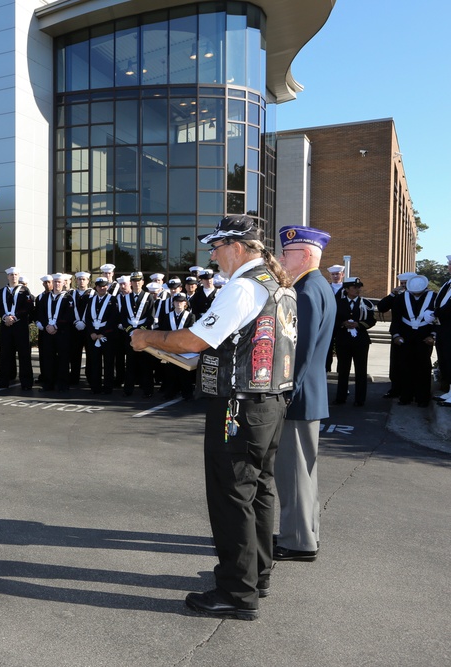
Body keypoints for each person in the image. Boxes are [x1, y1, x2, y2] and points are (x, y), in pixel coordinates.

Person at [131, 214, 297, 621]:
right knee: (258, 490)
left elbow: (193, 340)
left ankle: (236, 592)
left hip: (238, 406)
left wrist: (146, 337)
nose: (212, 253)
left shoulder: (242, 287)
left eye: (217, 246)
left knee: (231, 496)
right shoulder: (277, 285)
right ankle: (255, 574)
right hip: (269, 401)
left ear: (238, 247)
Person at [273, 225, 336, 563]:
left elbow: (299, 352)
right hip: (308, 396)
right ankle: (305, 531)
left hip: (298, 397)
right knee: (304, 471)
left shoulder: (308, 290)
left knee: (294, 471)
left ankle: (297, 541)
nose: (282, 258)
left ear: (307, 255)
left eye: (287, 253)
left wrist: (284, 394)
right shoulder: (314, 285)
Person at [389, 275, 437, 407]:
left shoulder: (434, 297)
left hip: (424, 337)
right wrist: (396, 335)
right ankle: (405, 397)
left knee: (424, 368)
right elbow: (396, 318)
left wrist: (433, 336)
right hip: (406, 337)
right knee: (405, 368)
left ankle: (422, 398)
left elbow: (437, 319)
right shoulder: (401, 298)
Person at [333, 277, 376, 407]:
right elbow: (333, 320)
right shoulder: (338, 303)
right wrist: (342, 324)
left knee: (361, 371)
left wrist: (359, 325)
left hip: (360, 342)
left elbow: (371, 320)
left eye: (359, 287)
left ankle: (360, 399)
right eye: (354, 287)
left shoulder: (366, 303)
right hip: (343, 341)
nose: (357, 290)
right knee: (343, 370)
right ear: (346, 289)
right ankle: (341, 397)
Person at [375, 271, 416, 398]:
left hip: (414, 333)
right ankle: (395, 389)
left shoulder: (419, 296)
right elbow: (381, 307)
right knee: (396, 363)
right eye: (402, 284)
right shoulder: (397, 296)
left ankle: (411, 391)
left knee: (412, 363)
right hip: (398, 332)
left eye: (406, 284)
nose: (403, 286)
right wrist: (392, 294)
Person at [0, 267, 34, 390]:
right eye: (11, 275)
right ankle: (3, 381)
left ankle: (26, 382)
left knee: (24, 355)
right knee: (5, 354)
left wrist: (15, 317)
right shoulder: (2, 291)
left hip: (20, 325)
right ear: (7, 277)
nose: (13, 277)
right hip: (6, 326)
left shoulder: (24, 291)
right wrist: (5, 316)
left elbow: (28, 307)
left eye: (16, 274)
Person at [35, 273, 74, 392]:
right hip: (48, 332)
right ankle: (48, 383)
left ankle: (62, 384)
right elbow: (40, 312)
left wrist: (56, 326)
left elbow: (69, 316)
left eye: (59, 282)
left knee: (63, 359)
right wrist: (46, 325)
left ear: (63, 283)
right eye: (55, 282)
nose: (57, 284)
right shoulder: (45, 298)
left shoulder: (68, 298)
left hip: (61, 333)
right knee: (48, 358)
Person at [156, 293, 196, 400]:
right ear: (173, 303)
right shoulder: (167, 316)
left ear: (185, 304)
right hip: (171, 348)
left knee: (185, 373)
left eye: (181, 301)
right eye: (176, 301)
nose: (179, 304)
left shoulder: (191, 316)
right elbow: (164, 331)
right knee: (170, 372)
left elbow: (190, 332)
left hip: (184, 349)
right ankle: (170, 393)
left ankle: (187, 394)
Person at [84, 277, 118, 395]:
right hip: (93, 335)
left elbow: (113, 318)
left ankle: (108, 387)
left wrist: (102, 333)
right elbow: (87, 318)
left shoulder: (112, 300)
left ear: (107, 287)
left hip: (106, 335)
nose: (102, 288)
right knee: (94, 362)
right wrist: (92, 332)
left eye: (104, 286)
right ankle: (95, 386)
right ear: (96, 287)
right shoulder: (91, 300)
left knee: (108, 362)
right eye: (99, 286)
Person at [434, 255, 451, 404]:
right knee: (445, 359)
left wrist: (435, 313)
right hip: (443, 327)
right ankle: (449, 391)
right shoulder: (447, 284)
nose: (448, 267)